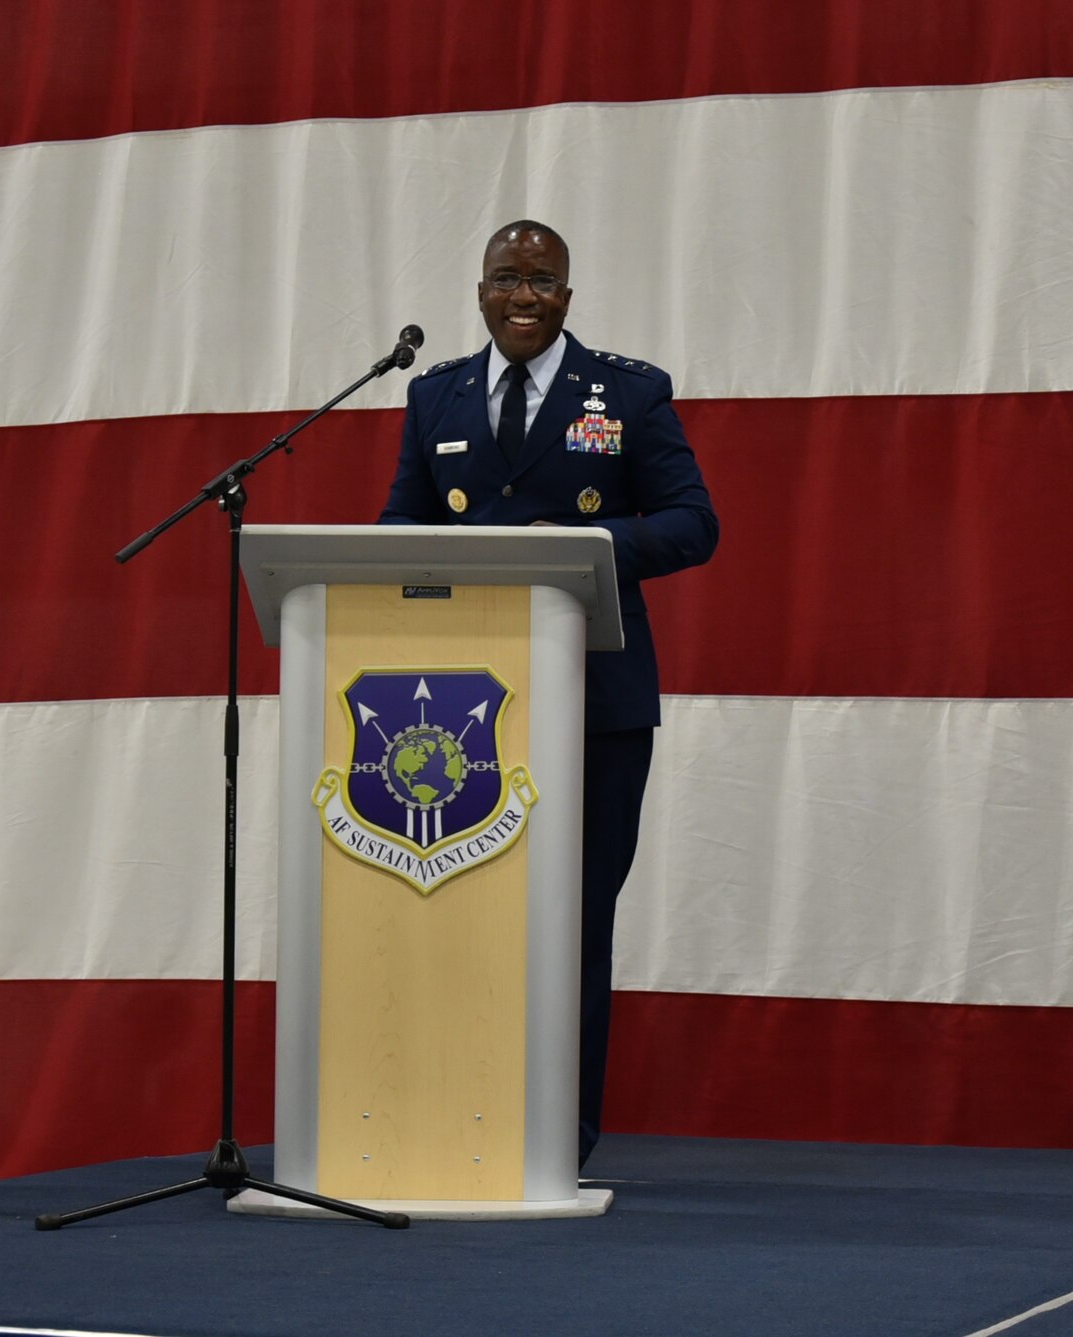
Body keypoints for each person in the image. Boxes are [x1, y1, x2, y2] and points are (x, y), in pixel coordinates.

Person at [378, 219, 718, 1168]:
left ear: (568, 296)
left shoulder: (629, 393)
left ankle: (555, 1133)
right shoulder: (434, 395)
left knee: (573, 921)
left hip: (593, 705)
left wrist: (582, 547)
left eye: (542, 282)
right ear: (479, 290)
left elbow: (695, 524)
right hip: (453, 712)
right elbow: (394, 530)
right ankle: (449, 1109)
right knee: (456, 910)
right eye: (505, 279)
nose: (522, 297)